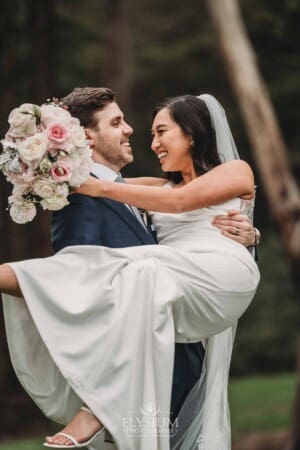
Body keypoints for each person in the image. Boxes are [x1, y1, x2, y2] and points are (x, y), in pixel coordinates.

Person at [0, 93, 260, 450]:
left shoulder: (235, 170)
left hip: (222, 273)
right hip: (178, 287)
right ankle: (99, 406)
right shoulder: (160, 187)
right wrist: (50, 158)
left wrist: (251, 234)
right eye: (151, 134)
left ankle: (96, 409)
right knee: (139, 271)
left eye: (162, 132)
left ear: (193, 134)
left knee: (140, 267)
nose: (152, 143)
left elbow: (180, 203)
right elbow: (106, 182)